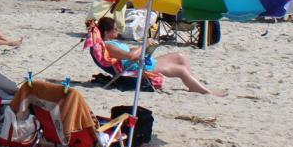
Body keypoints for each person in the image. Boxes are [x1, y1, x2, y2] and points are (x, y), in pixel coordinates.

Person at [91, 16, 224, 95]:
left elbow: (130, 51)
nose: (118, 30)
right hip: (137, 68)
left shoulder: (113, 43)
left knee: (180, 56)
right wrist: (144, 45)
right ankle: (207, 92)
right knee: (180, 70)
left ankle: (193, 85)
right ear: (107, 32)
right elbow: (130, 56)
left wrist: (145, 47)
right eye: (115, 29)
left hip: (141, 62)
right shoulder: (108, 46)